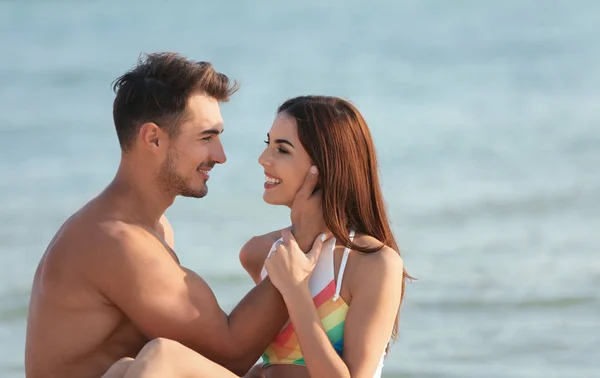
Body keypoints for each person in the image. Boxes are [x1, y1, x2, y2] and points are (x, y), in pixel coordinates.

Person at [24, 53, 327, 378]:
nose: (220, 156)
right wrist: (306, 232)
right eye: (206, 137)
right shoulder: (116, 241)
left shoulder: (149, 228)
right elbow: (231, 352)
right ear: (153, 138)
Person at [103, 95, 409, 378]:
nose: (264, 158)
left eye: (282, 149)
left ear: (325, 167)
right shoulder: (261, 253)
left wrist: (295, 290)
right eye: (268, 144)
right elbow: (269, 366)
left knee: (162, 356)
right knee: (123, 369)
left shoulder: (372, 263)